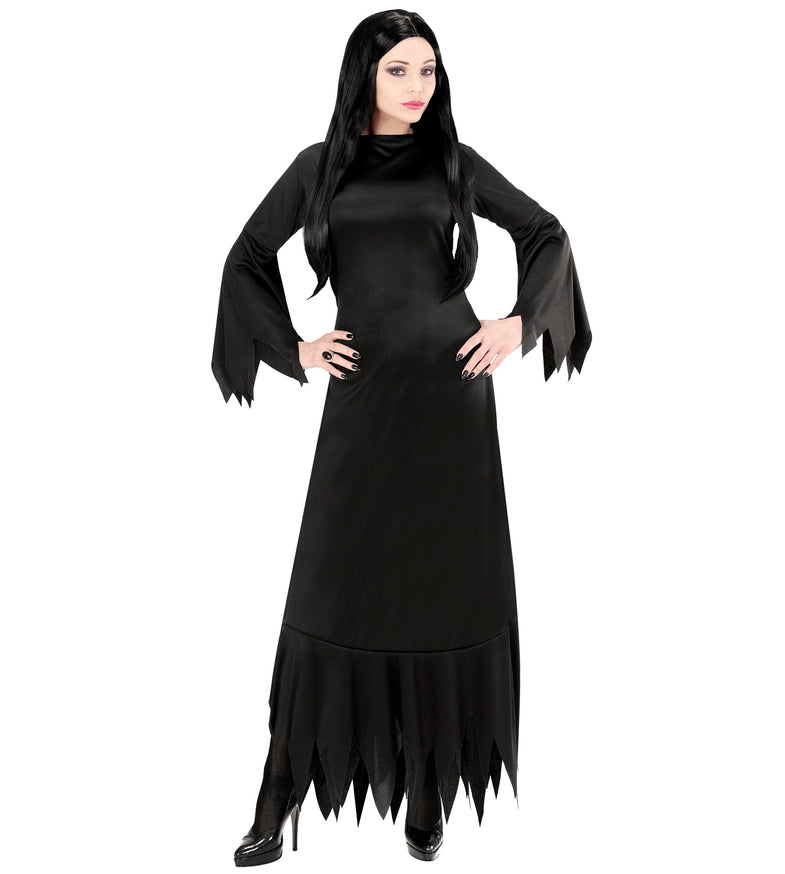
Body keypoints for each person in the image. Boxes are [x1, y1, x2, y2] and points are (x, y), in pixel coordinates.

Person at [212, 9, 592, 866]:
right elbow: (245, 257)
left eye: (429, 69)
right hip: (362, 403)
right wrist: (295, 348)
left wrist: (519, 322)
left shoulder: (455, 162)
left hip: (452, 404)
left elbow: (547, 233)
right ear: (365, 75)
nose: (418, 86)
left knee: (442, 589)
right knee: (329, 589)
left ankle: (428, 789)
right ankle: (277, 796)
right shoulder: (318, 167)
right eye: (399, 70)